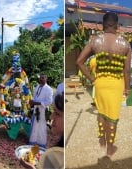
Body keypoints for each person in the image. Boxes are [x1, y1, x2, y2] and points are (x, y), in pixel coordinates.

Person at [76, 12, 131, 158]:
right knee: (112, 116)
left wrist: (92, 79)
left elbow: (79, 62)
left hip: (99, 83)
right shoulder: (125, 44)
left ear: (102, 26)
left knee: (101, 112)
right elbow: (126, 70)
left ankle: (102, 138)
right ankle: (110, 148)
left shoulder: (95, 41)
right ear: (118, 26)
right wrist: (127, 88)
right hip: (116, 84)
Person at [21, 94, 64, 169]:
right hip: (36, 114)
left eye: (57, 113)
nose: (51, 117)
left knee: (41, 131)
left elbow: (48, 101)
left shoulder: (58, 154)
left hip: (42, 115)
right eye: (54, 112)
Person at [29, 74, 53, 148]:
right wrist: (32, 102)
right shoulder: (37, 87)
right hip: (36, 110)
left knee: (42, 126)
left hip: (43, 111)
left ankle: (41, 143)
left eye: (43, 78)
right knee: (35, 126)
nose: (41, 79)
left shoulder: (49, 89)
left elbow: (49, 101)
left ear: (46, 78)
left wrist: (37, 103)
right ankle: (33, 142)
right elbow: (34, 97)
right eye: (40, 78)